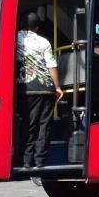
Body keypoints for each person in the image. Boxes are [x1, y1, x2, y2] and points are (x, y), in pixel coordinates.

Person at [16, 12, 63, 169]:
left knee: (28, 124)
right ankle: (40, 161)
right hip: (46, 89)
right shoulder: (44, 41)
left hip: (26, 88)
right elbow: (51, 65)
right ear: (37, 27)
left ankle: (26, 161)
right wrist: (57, 87)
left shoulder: (15, 39)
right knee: (44, 125)